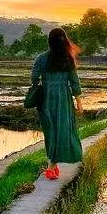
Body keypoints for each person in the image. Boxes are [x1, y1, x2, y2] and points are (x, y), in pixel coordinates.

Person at [31, 27, 83, 179]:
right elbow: (74, 82)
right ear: (64, 40)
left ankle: (51, 165)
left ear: (50, 41)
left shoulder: (41, 59)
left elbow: (34, 78)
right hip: (63, 100)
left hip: (46, 99)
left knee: (50, 131)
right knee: (62, 130)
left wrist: (42, 82)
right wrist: (79, 102)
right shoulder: (68, 58)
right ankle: (51, 166)